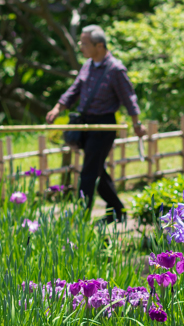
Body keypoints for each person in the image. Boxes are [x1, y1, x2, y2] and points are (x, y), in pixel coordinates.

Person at [46, 25, 146, 223]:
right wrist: (58, 107)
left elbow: (129, 98)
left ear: (99, 46)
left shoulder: (116, 69)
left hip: (104, 126)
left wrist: (137, 124)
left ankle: (81, 218)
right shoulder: (88, 65)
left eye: (84, 44)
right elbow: (74, 90)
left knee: (89, 171)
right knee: (97, 168)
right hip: (87, 124)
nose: (81, 47)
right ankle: (117, 210)